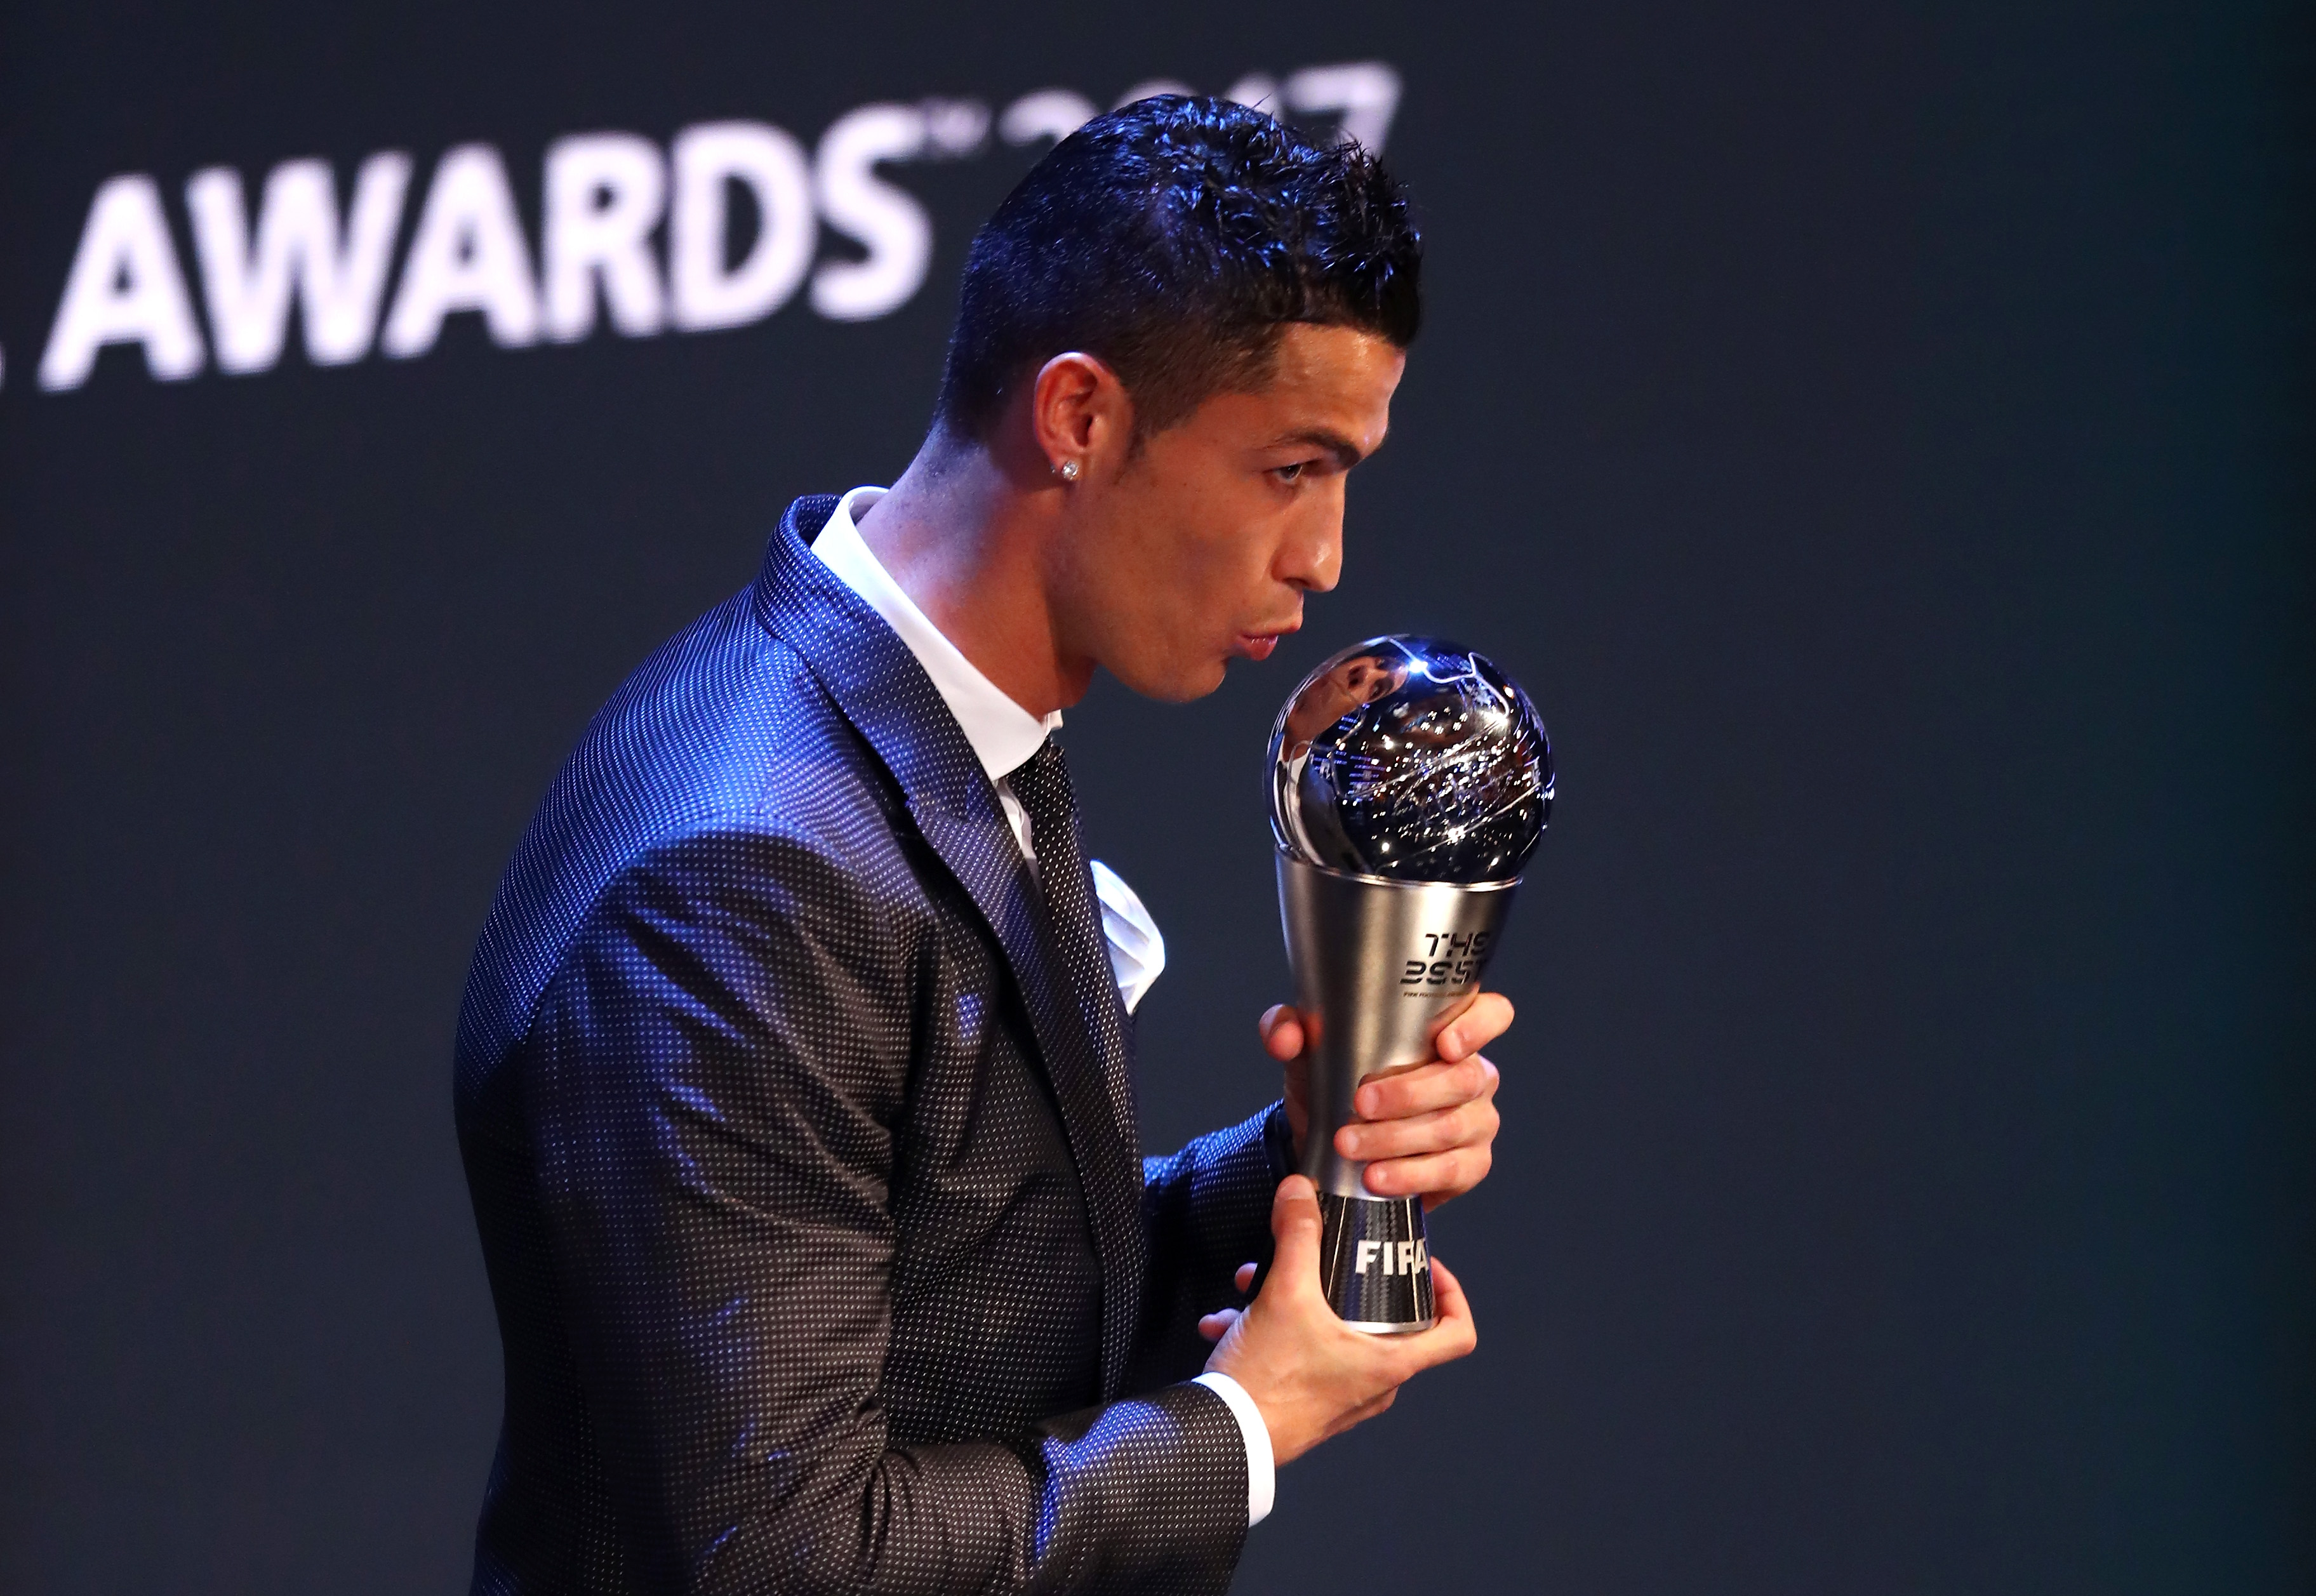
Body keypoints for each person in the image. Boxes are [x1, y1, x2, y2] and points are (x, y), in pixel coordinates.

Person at [453, 96, 1514, 1596]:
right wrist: (1245, 1423)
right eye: (1292, 468)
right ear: (1079, 416)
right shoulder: (747, 873)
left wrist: (1301, 1164)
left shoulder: (944, 719)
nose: (1325, 557)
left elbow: (955, 1304)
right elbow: (789, 1559)